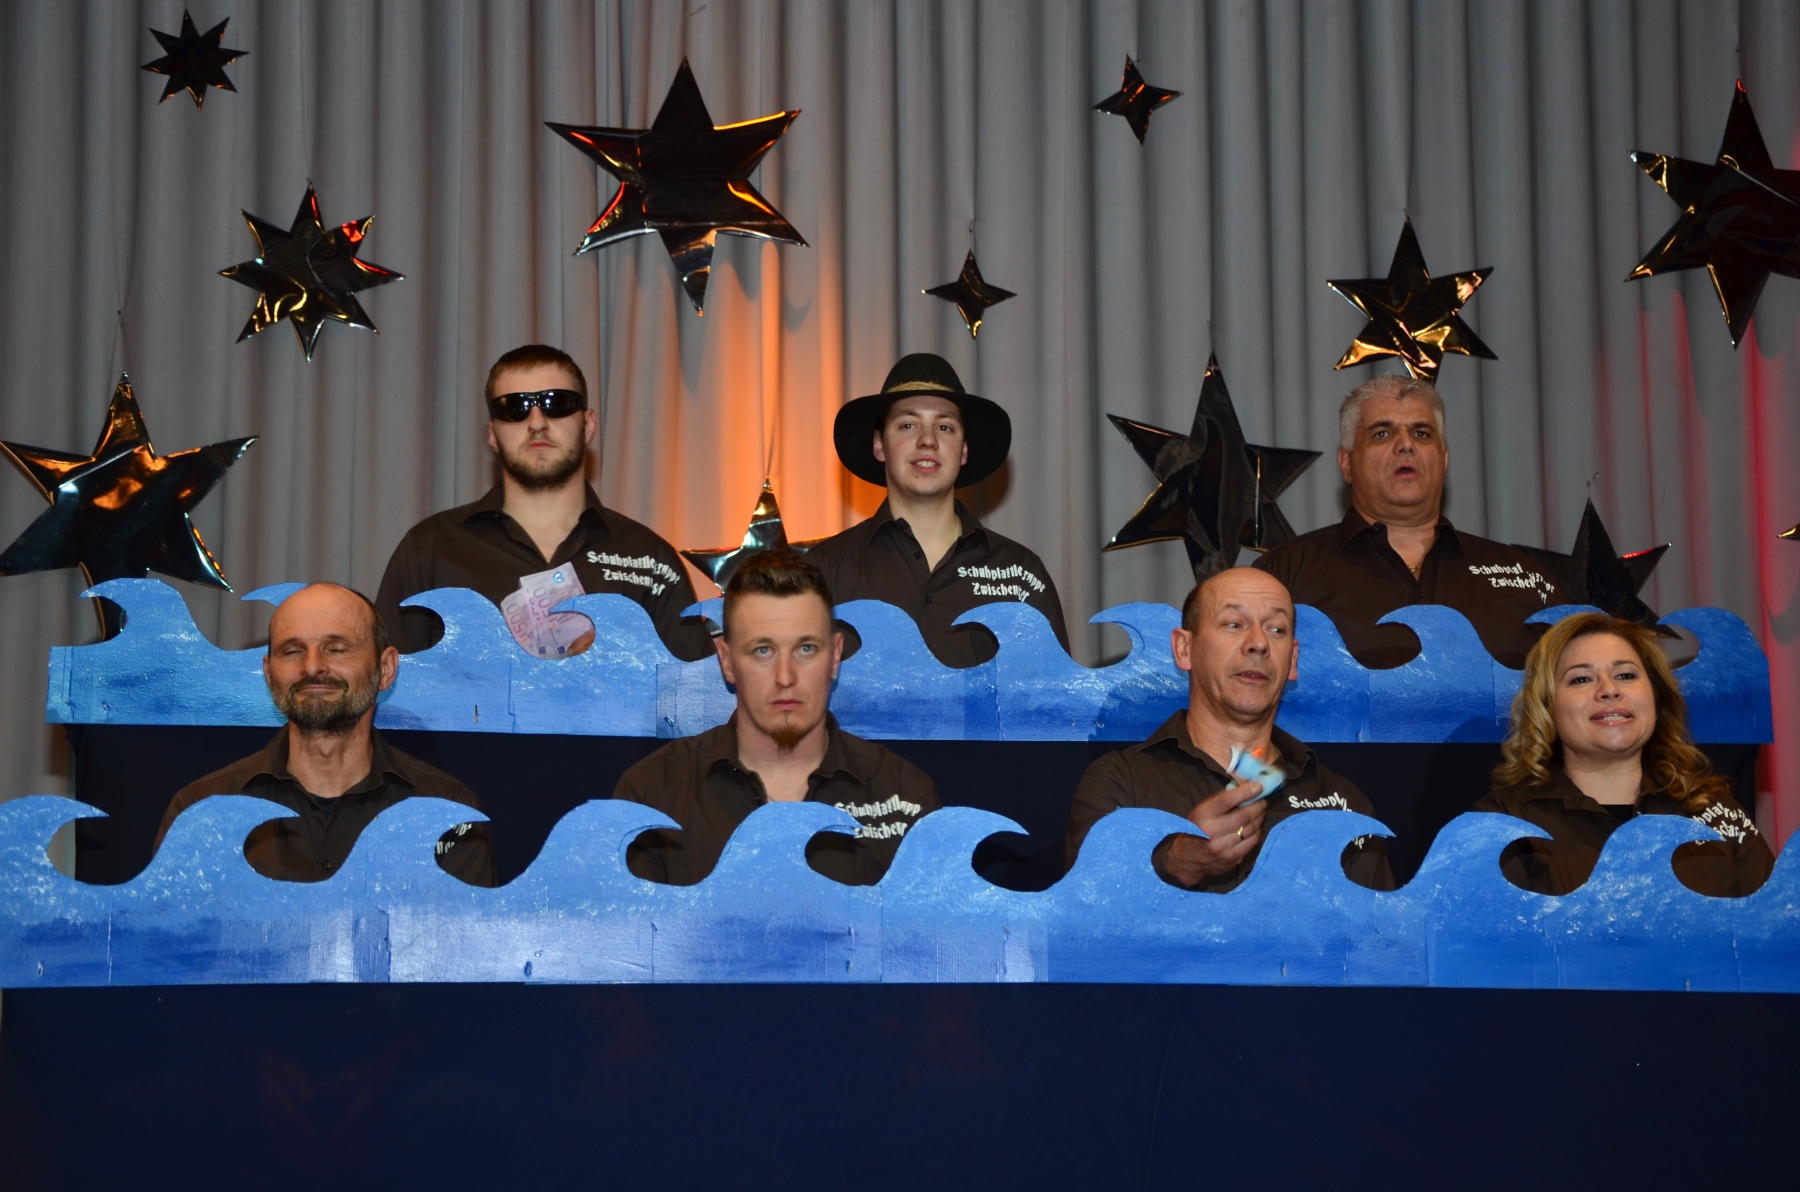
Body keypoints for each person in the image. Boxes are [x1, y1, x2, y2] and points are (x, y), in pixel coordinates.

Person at [614, 547, 941, 885]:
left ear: (835, 656)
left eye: (806, 649)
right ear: (726, 661)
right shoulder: (651, 796)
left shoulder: (906, 797)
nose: (785, 677)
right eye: (763, 650)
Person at [1065, 567, 1394, 892]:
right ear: (1184, 649)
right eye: (1234, 624)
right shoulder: (1120, 785)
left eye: (1276, 629)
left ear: (1292, 660)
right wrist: (1177, 861)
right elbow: (1086, 912)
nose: (1259, 643)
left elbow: (1376, 926)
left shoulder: (1343, 804)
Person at [376, 344, 711, 661]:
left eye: (557, 403)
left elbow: (688, 695)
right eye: (514, 407)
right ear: (492, 434)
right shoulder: (430, 549)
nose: (536, 423)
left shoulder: (650, 558)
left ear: (588, 424)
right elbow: (386, 687)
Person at [154, 583, 495, 886]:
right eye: (292, 651)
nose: (312, 666)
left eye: (337, 648)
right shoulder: (199, 813)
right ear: (269, 674)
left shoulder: (449, 813)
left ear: (385, 669)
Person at [1254, 373, 1566, 669]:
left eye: (1421, 433)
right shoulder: (1285, 574)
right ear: (1346, 463)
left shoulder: (1525, 578)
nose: (1406, 444)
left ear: (1444, 459)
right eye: (1382, 433)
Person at [1477, 611, 1772, 896]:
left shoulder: (1716, 812)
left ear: (1657, 701)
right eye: (1581, 679)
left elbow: (1776, 923)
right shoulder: (1502, 823)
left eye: (1626, 675)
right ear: (1547, 708)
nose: (1609, 690)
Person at [807, 352, 1070, 667]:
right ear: (879, 445)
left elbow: (1054, 695)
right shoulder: (825, 571)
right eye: (908, 425)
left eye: (944, 427)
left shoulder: (1022, 573)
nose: (927, 440)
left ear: (964, 450)